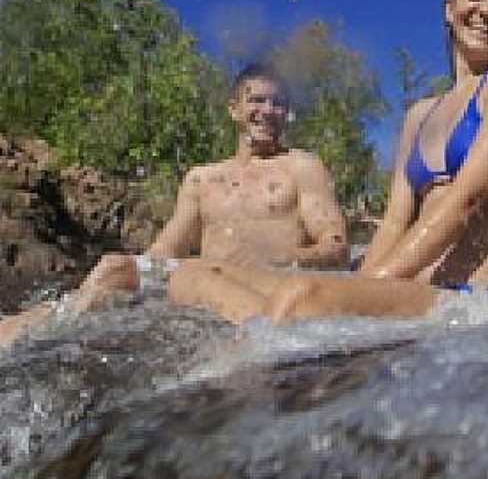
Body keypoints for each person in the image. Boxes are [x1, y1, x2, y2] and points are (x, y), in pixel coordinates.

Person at [165, 0, 488, 323]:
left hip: (481, 296)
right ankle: (265, 332)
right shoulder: (420, 114)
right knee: (193, 275)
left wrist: (372, 285)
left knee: (305, 298)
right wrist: (359, 285)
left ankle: (270, 338)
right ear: (450, 7)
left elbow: (468, 199)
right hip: (412, 292)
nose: (487, 10)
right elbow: (396, 223)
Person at [0, 63, 347, 343]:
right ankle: (30, 335)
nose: (268, 110)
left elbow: (336, 247)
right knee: (113, 268)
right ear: (234, 110)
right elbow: (166, 251)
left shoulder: (302, 167)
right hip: (204, 286)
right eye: (256, 100)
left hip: (264, 287)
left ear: (287, 113)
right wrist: (131, 272)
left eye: (278, 103)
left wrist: (280, 259)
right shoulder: (201, 178)